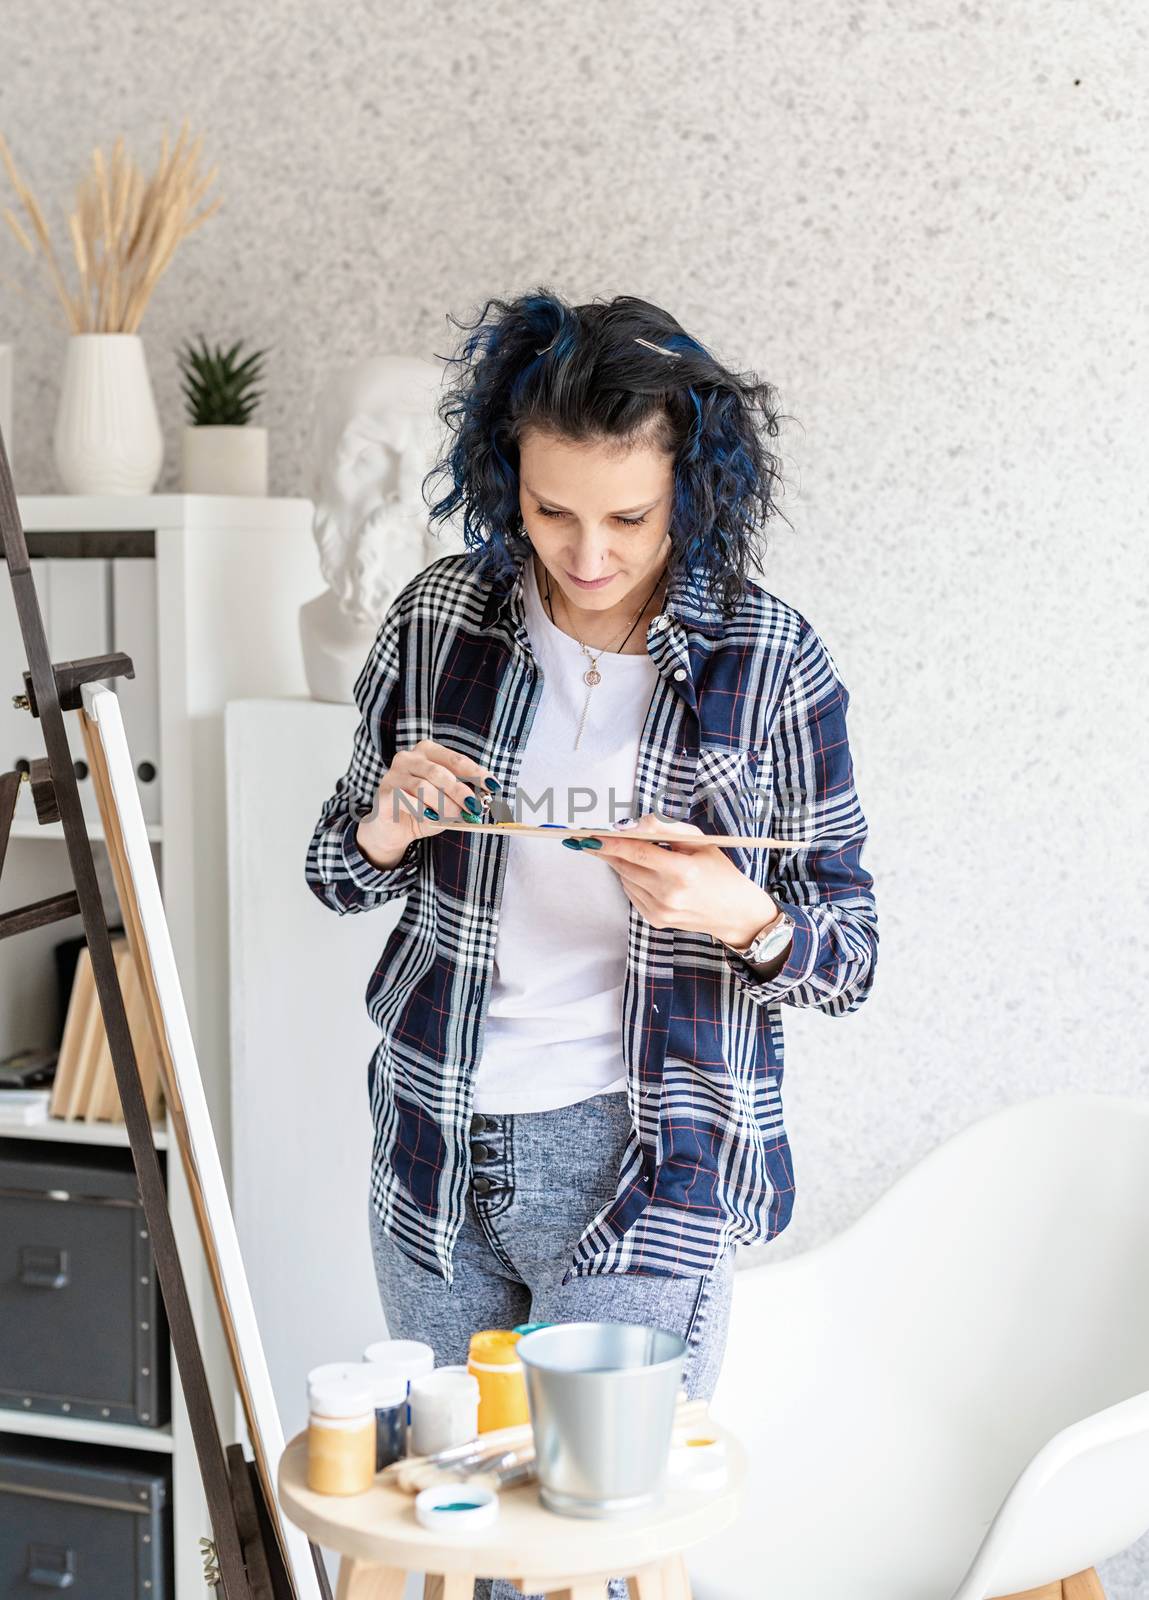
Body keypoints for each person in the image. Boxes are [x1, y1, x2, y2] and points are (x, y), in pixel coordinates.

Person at [305, 290, 879, 1600]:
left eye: (627, 516)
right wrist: (386, 827)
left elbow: (847, 947)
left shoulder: (768, 661)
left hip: (641, 1155)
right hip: (433, 1140)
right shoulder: (438, 621)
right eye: (551, 510)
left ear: (695, 485)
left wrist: (740, 916)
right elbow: (333, 872)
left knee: (595, 1547)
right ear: (506, 475)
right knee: (458, 1538)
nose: (586, 552)